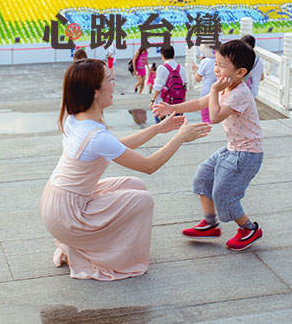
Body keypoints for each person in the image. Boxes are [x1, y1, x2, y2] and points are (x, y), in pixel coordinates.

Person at [40, 59, 210, 280]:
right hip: (69, 214)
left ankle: (88, 244)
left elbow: (117, 146)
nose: (114, 85)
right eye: (109, 80)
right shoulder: (95, 136)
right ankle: (105, 255)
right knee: (143, 200)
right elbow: (149, 166)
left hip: (58, 202)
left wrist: (158, 129)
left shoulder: (75, 119)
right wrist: (180, 138)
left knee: (134, 185)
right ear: (94, 93)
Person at [152, 40, 264, 251]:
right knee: (204, 176)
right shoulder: (225, 88)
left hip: (246, 154)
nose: (216, 69)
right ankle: (210, 223)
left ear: (240, 72)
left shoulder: (239, 93)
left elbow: (214, 116)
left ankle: (249, 229)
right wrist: (171, 107)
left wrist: (213, 90)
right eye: (216, 63)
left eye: (222, 66)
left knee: (225, 195)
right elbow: (199, 103)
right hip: (232, 148)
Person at [149, 47, 187, 122]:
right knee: (176, 125)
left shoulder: (161, 68)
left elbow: (158, 87)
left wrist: (152, 100)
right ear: (173, 55)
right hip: (177, 101)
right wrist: (183, 103)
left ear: (162, 55)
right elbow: (184, 87)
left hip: (162, 101)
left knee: (160, 126)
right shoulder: (181, 68)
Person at [193, 44, 217, 123]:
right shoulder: (220, 60)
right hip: (219, 94)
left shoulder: (205, 62)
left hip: (206, 94)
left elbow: (198, 79)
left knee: (206, 119)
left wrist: (195, 70)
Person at [240, 35, 265, 99]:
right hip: (253, 93)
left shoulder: (241, 60)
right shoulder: (258, 61)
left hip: (242, 94)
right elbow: (262, 78)